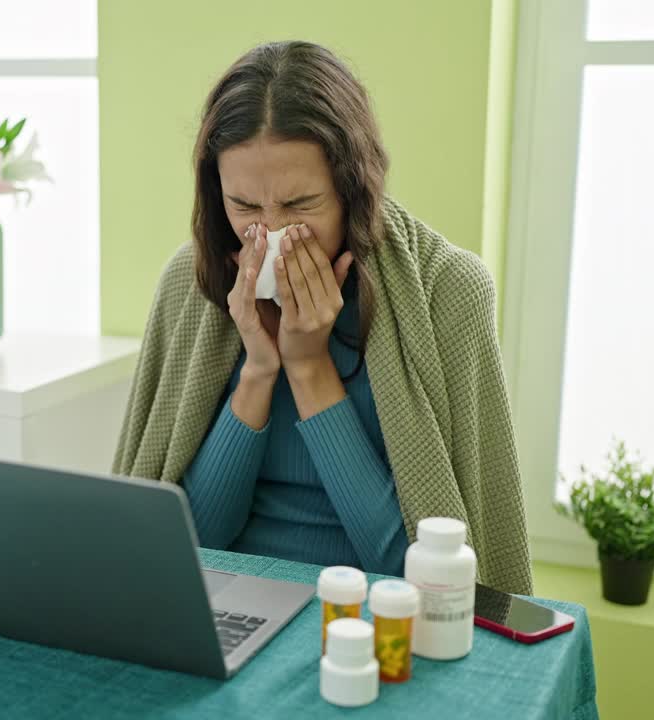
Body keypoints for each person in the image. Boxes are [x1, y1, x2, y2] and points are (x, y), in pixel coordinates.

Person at [113, 41, 532, 593]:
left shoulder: (448, 291)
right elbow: (183, 546)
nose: (270, 233)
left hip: (376, 614)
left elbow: (419, 572)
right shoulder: (190, 287)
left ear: (355, 192)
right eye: (244, 207)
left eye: (299, 205)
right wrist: (260, 370)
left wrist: (309, 368)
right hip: (221, 601)